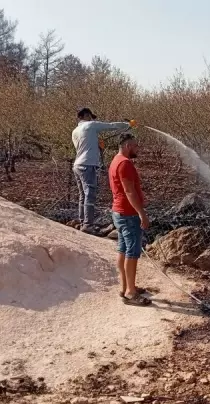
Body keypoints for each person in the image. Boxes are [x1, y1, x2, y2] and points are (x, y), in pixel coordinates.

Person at [71, 107, 133, 234]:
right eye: (91, 117)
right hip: (87, 165)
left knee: (83, 195)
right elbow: (111, 126)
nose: (93, 119)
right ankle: (88, 225)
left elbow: (83, 146)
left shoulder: (75, 131)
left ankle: (83, 222)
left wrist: (96, 144)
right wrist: (128, 124)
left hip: (77, 165)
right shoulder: (90, 125)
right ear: (86, 115)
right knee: (90, 194)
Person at [109, 132, 151, 305]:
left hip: (119, 212)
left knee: (123, 249)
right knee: (132, 253)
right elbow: (129, 191)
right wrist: (141, 213)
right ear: (127, 146)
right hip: (128, 214)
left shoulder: (115, 161)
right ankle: (131, 293)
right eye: (134, 145)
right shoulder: (125, 164)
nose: (137, 148)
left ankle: (125, 286)